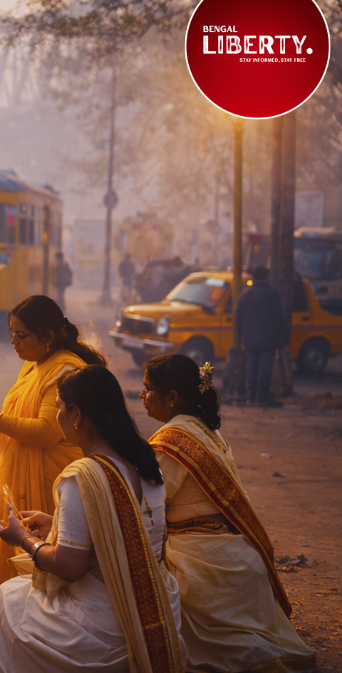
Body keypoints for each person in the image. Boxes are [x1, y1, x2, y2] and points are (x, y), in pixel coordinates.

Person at [0, 365, 185, 673]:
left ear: (76, 415)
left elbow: (70, 568)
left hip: (103, 623)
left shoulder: (81, 477)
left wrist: (23, 539)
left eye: (59, 408)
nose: (57, 417)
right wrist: (56, 521)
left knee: (8, 597)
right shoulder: (146, 460)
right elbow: (137, 528)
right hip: (155, 605)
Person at [142, 355, 316, 672]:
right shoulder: (207, 431)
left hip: (197, 561)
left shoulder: (169, 442)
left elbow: (147, 509)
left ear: (171, 397)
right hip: (238, 555)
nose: (142, 397)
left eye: (148, 389)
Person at [0, 295, 104, 608]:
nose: (13, 342)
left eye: (22, 336)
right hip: (22, 465)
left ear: (48, 336)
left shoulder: (66, 371)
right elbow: (18, 424)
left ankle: (34, 611)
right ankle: (11, 606)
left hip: (48, 474)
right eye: (12, 334)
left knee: (41, 548)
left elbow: (47, 432)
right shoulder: (36, 365)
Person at [235, 266, 289, 407]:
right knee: (265, 368)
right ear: (266, 277)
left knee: (252, 365)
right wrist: (284, 335)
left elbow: (238, 319)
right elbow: (279, 318)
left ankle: (251, 396)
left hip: (250, 338)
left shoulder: (244, 295)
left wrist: (243, 334)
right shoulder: (272, 294)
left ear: (253, 277)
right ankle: (262, 397)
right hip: (269, 339)